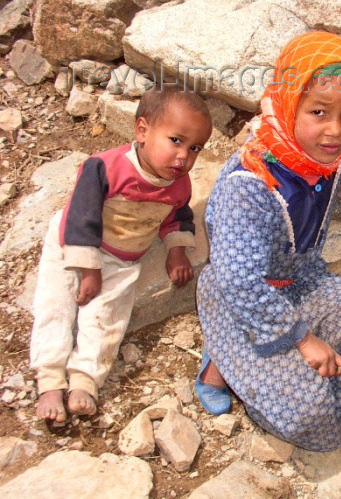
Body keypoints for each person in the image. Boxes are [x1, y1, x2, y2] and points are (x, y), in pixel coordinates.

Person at [195, 31, 341, 451]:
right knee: (311, 418)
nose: (336, 130)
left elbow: (335, 150)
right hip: (243, 296)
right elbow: (241, 282)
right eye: (318, 111)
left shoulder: (325, 151)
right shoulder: (248, 184)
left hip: (304, 280)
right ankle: (221, 362)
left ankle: (267, 366)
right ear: (288, 102)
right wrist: (302, 339)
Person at [30, 86, 213, 423]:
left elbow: (177, 216)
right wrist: (88, 268)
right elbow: (81, 215)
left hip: (121, 259)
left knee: (107, 317)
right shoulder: (104, 167)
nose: (183, 156)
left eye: (195, 148)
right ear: (142, 130)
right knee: (55, 306)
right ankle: (50, 382)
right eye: (176, 140)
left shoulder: (178, 184)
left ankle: (86, 380)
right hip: (72, 245)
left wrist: (176, 252)